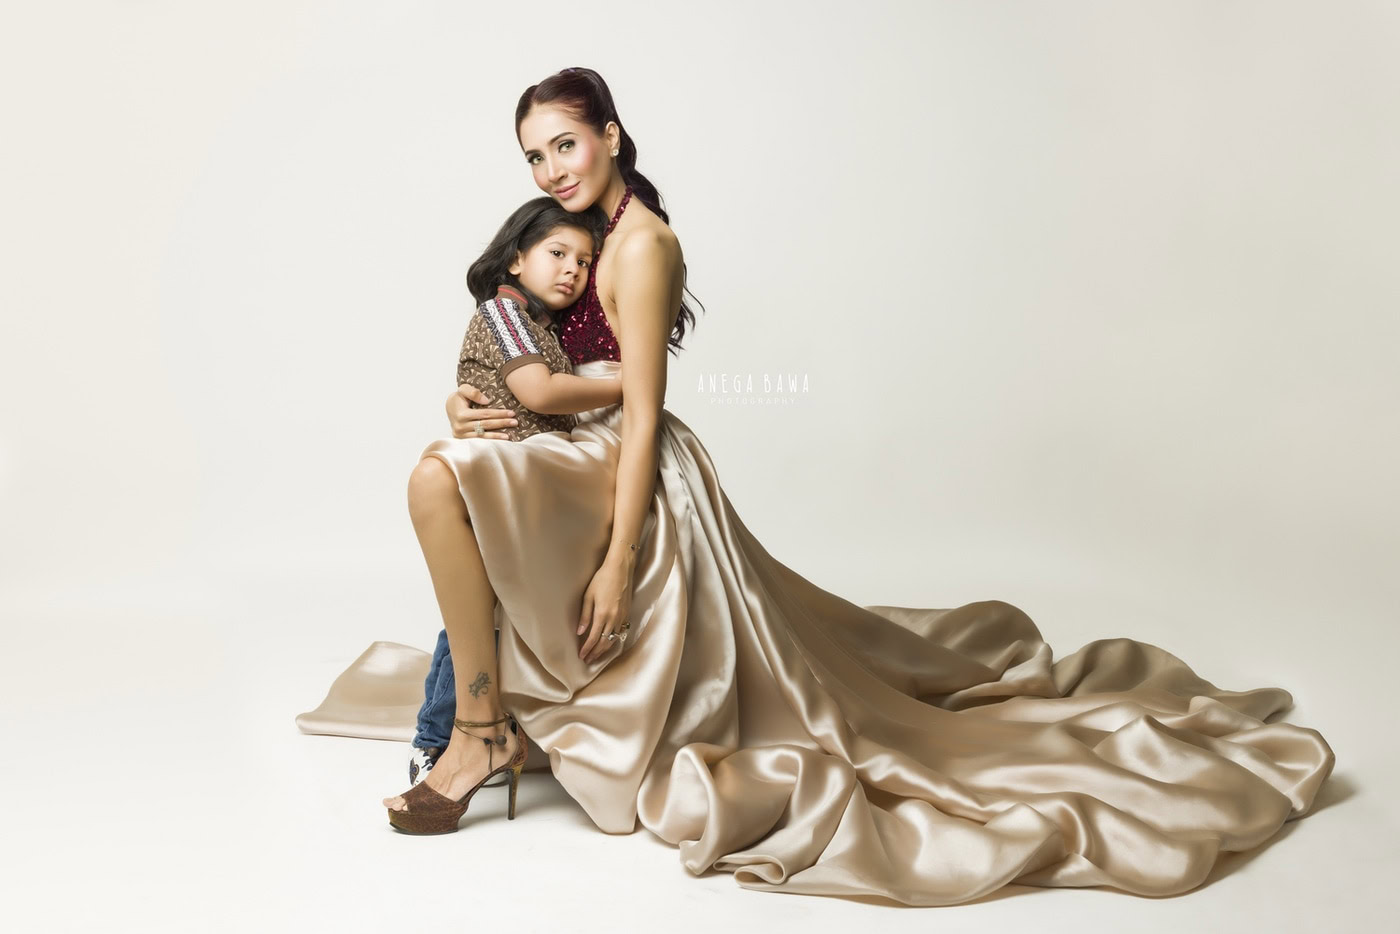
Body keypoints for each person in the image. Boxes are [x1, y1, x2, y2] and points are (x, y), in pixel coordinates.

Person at [297, 67, 1335, 904]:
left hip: (628, 463)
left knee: (443, 483)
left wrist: (618, 561)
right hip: (575, 442)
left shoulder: (642, 244)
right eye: (532, 154)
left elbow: (644, 410)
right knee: (444, 469)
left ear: (611, 134)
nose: (549, 167)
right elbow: (524, 346)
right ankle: (483, 723)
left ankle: (480, 733)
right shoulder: (587, 236)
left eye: (564, 143)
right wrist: (467, 406)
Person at [406, 195, 622, 788]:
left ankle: (501, 728)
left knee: (493, 603)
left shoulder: (540, 326)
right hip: (492, 477)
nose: (572, 271)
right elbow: (542, 393)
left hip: (518, 477)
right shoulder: (503, 315)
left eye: (584, 262)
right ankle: (437, 734)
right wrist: (633, 382)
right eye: (557, 253)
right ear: (517, 259)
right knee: (475, 608)